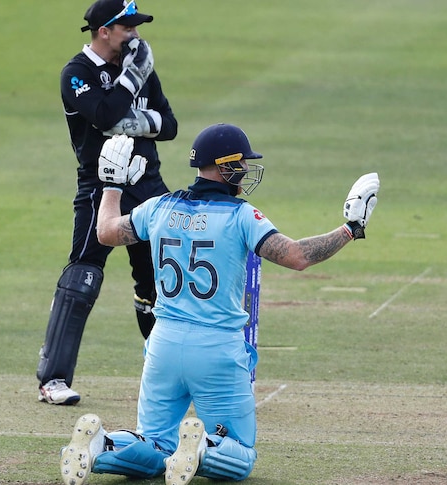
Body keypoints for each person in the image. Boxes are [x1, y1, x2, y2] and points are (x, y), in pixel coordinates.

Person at [59, 124, 379, 484]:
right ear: (224, 166)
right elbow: (297, 256)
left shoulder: (159, 207)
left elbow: (105, 232)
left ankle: (103, 445)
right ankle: (203, 449)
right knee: (240, 454)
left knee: (154, 443)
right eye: (241, 163)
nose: (245, 170)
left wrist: (112, 186)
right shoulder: (242, 215)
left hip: (162, 345)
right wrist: (351, 228)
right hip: (216, 349)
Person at [36, 0, 179, 405]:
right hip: (102, 184)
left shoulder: (138, 68)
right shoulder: (77, 74)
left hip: (148, 183)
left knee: (157, 279)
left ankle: (165, 372)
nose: (135, 35)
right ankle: (53, 379)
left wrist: (134, 119)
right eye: (127, 27)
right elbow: (102, 114)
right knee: (84, 275)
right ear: (104, 31)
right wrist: (132, 80)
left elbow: (168, 124)